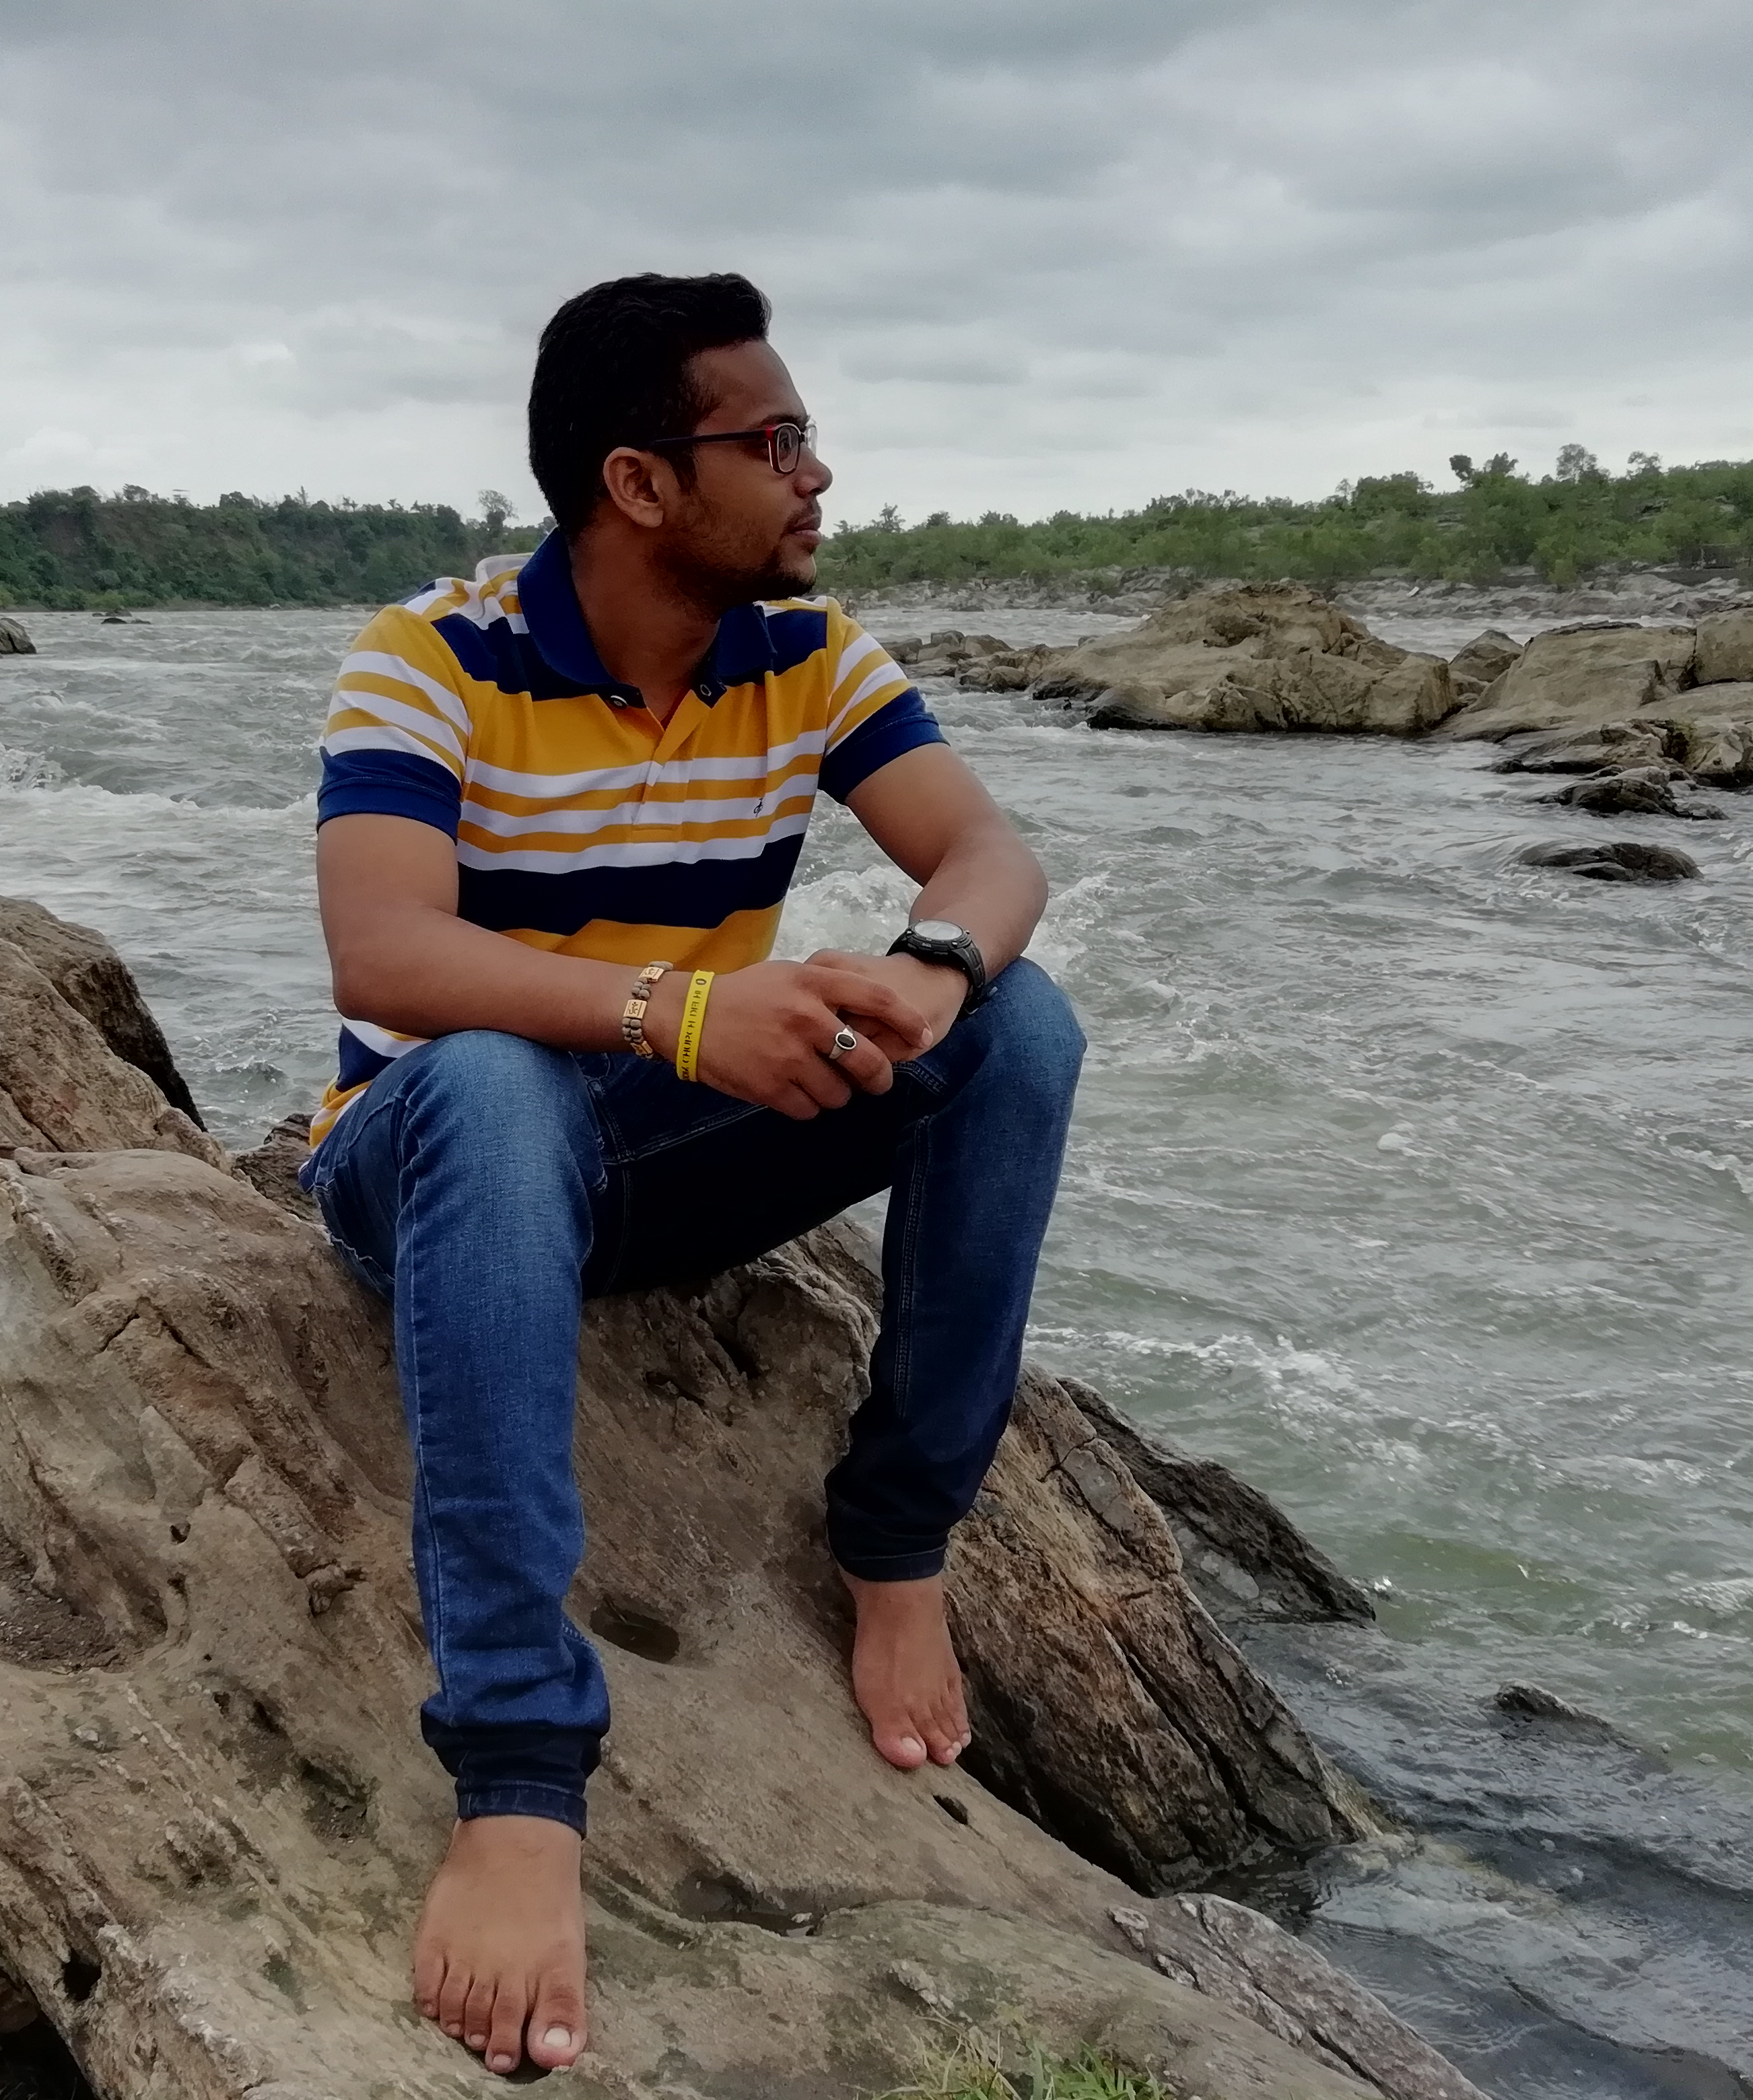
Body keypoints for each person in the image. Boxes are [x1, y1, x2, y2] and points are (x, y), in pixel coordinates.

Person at [305, 273, 1080, 2076]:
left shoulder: (802, 651)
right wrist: (680, 1012)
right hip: (431, 1164)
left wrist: (933, 967)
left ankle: (895, 1545)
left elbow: (986, 849)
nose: (818, 474)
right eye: (775, 440)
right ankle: (516, 1774)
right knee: (494, 1080)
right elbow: (385, 953)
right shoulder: (432, 655)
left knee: (1019, 1027)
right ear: (641, 482)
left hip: (654, 1161)